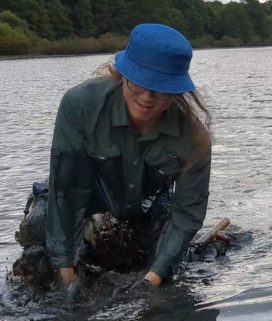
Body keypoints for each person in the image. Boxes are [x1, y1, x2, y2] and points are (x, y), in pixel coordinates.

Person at [43, 23, 212, 291]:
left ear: (177, 90)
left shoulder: (194, 138)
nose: (147, 97)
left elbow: (187, 214)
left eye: (160, 88)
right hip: (89, 195)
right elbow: (68, 189)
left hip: (148, 206)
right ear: (122, 75)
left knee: (170, 265)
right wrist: (66, 270)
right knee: (41, 225)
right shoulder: (79, 104)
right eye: (138, 83)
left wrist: (153, 278)